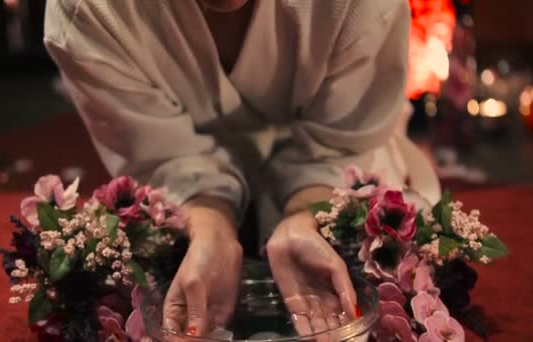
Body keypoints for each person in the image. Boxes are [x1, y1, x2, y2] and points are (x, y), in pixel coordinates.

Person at [44, 0, 440, 337]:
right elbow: (160, 153)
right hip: (177, 198)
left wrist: (305, 216)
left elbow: (338, 144)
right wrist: (211, 223)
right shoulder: (89, 10)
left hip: (338, 175)